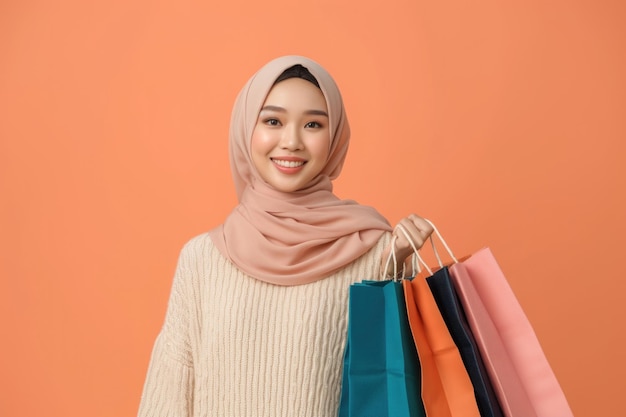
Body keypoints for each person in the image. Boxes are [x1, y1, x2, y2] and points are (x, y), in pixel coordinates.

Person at [137, 55, 434, 417]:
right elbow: (168, 396)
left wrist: (400, 269)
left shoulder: (375, 253)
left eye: (313, 124)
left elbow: (396, 385)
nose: (291, 141)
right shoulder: (201, 260)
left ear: (335, 137)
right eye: (273, 121)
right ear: (247, 128)